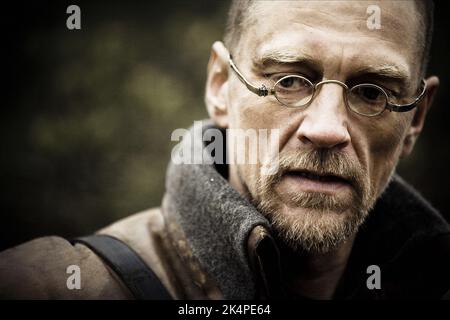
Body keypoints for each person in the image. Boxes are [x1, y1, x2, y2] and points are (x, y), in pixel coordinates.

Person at [1, 0, 449, 300]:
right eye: (289, 80)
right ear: (220, 86)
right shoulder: (42, 286)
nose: (327, 129)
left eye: (372, 93)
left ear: (415, 119)